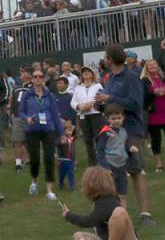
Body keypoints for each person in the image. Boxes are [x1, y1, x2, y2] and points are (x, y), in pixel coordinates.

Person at [96, 45, 154, 228]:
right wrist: (101, 104)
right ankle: (117, 215)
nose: (104, 60)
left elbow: (136, 104)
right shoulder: (110, 78)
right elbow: (111, 104)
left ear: (110, 59)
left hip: (131, 131)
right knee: (114, 173)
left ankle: (145, 214)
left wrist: (109, 99)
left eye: (106, 57)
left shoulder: (130, 77)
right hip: (113, 133)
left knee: (136, 171)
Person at [18, 67, 65, 199]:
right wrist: (27, 118)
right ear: (32, 80)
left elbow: (55, 115)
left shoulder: (49, 95)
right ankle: (34, 181)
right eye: (35, 77)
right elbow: (20, 112)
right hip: (32, 130)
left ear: (43, 79)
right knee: (34, 158)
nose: (38, 79)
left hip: (48, 129)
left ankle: (49, 189)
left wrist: (61, 133)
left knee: (49, 157)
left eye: (40, 77)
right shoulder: (27, 95)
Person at [61, 166, 136, 240]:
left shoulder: (106, 202)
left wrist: (68, 215)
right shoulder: (104, 199)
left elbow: (89, 221)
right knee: (78, 235)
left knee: (119, 213)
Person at [140, 59, 165, 172]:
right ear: (146, 68)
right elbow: (143, 97)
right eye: (150, 65)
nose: (152, 66)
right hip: (153, 114)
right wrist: (153, 92)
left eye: (154, 64)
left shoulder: (164, 78)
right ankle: (158, 163)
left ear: (158, 66)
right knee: (156, 139)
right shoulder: (144, 80)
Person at [71, 67, 104, 167]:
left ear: (92, 74)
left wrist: (91, 104)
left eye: (88, 72)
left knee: (99, 138)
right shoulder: (78, 87)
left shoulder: (98, 85)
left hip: (96, 115)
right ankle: (92, 163)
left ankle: (102, 162)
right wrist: (79, 106)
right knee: (88, 140)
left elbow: (102, 98)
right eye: (83, 72)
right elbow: (72, 102)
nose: (86, 73)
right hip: (83, 116)